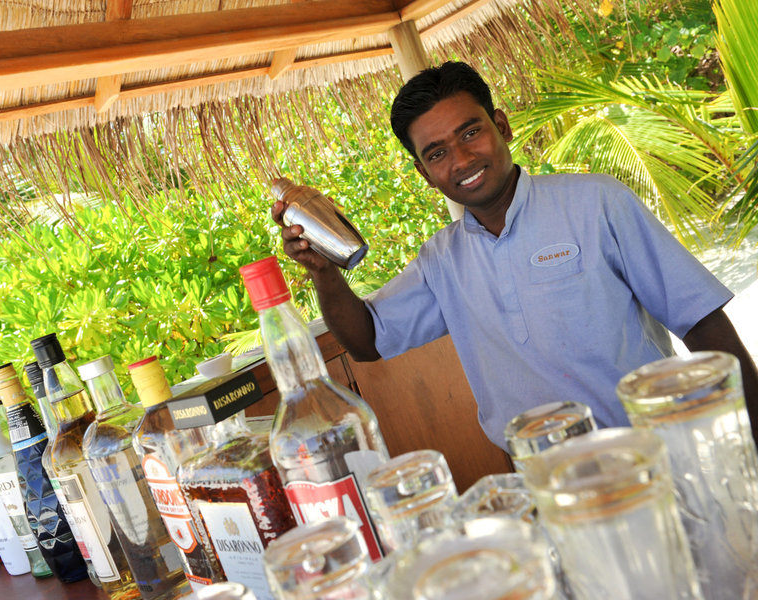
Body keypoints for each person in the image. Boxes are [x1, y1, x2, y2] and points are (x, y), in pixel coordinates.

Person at [271, 61, 758, 449]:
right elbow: (367, 341)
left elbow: (703, 323)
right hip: (546, 485)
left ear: (501, 126)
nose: (462, 159)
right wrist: (324, 272)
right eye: (437, 153)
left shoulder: (595, 203)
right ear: (424, 174)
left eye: (470, 133)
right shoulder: (442, 260)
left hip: (656, 454)